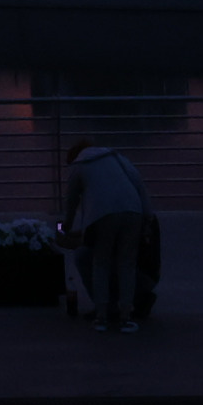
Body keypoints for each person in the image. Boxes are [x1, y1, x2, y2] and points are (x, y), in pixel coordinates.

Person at [62, 138, 152, 333]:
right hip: (132, 211)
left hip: (102, 216)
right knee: (126, 264)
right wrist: (147, 217)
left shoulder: (79, 166)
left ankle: (102, 317)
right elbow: (139, 184)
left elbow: (70, 204)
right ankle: (126, 317)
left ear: (74, 157)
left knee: (100, 263)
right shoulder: (116, 157)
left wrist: (63, 229)